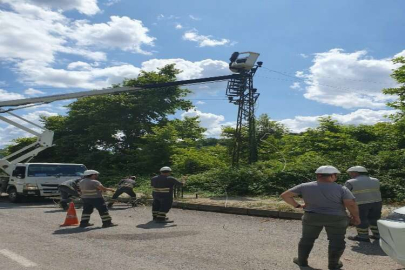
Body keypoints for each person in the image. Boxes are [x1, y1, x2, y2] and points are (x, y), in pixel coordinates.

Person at [281, 165, 360, 270]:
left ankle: (302, 261)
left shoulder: (304, 186)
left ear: (318, 175)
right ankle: (333, 265)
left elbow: (285, 195)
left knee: (307, 239)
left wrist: (298, 206)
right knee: (337, 240)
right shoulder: (341, 189)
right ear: (332, 176)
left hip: (311, 216)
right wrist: (356, 217)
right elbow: (351, 204)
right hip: (336, 218)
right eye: (336, 175)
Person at [345, 166, 382, 242]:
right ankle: (378, 235)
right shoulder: (375, 180)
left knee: (361, 219)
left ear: (355, 173)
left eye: (351, 173)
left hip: (361, 203)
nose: (350, 175)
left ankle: (363, 236)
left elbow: (345, 194)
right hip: (377, 202)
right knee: (374, 219)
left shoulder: (350, 182)